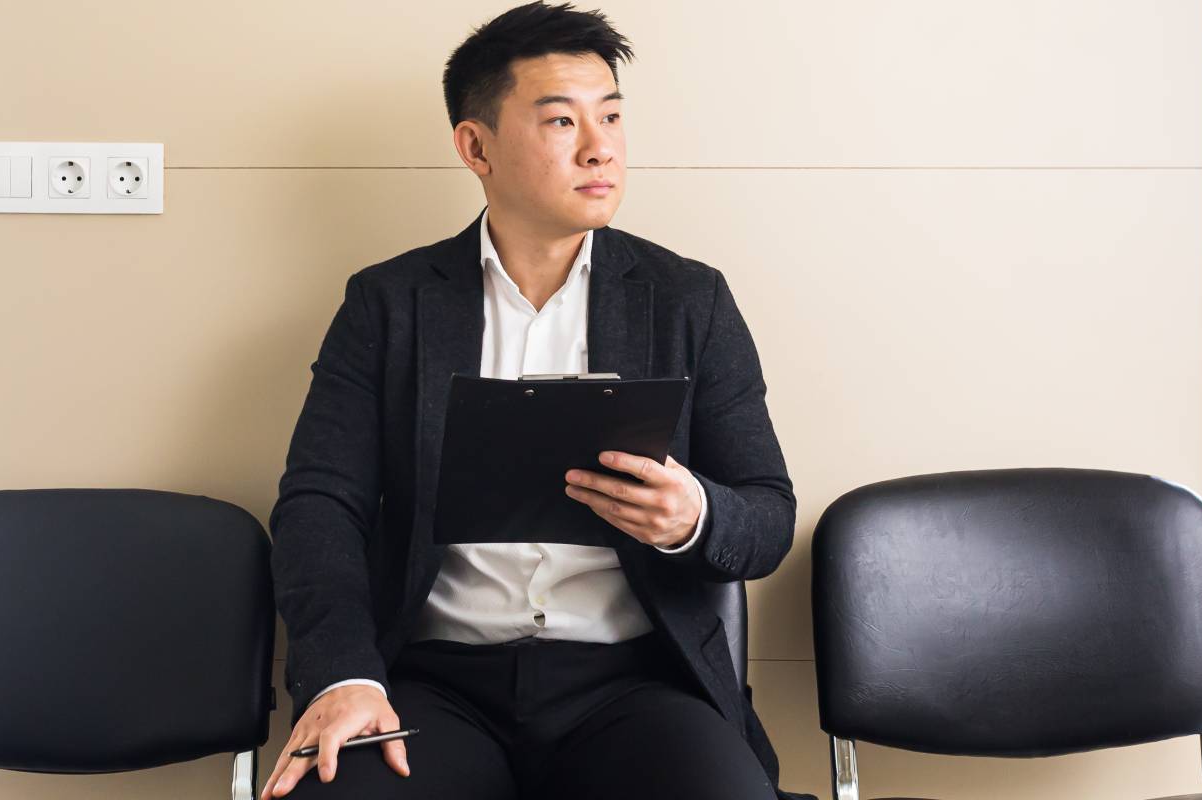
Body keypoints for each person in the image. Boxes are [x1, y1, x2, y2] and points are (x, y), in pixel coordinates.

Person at [262, 3, 811, 798]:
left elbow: (768, 514)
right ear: (474, 145)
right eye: (561, 121)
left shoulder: (689, 300)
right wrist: (343, 676)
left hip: (633, 684)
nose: (602, 148)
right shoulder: (389, 303)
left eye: (613, 117)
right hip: (433, 683)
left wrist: (693, 517)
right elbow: (320, 505)